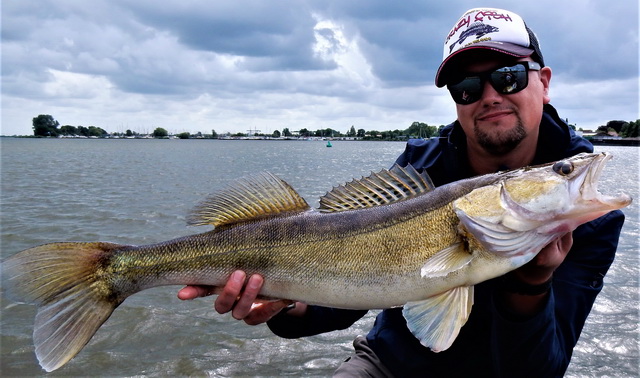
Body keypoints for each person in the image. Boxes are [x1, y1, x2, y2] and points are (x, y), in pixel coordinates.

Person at [178, 8, 626, 377]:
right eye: (466, 87)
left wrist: (532, 282)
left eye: (507, 76)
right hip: (391, 366)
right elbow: (349, 296)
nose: (488, 96)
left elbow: (539, 369)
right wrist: (281, 306)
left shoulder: (586, 216)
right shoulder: (420, 171)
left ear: (543, 82)